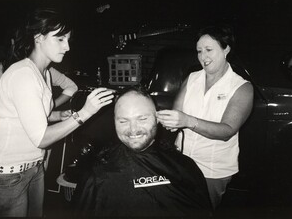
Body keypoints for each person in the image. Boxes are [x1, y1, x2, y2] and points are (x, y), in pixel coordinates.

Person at [0, 8, 114, 217]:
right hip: (5, 175)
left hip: (32, 168)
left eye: (68, 39)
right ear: (38, 38)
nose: (67, 47)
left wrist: (58, 116)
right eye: (60, 39)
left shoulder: (43, 74)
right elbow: (41, 138)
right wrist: (84, 113)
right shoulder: (23, 74)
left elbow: (29, 115)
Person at [72, 87, 212, 218]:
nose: (133, 129)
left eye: (142, 119)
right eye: (123, 121)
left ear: (157, 118)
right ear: (114, 122)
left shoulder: (184, 166)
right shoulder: (96, 174)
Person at [156, 25, 254, 209]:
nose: (203, 57)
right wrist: (161, 119)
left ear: (226, 49)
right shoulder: (192, 78)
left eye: (209, 50)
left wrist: (187, 121)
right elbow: (177, 116)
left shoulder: (242, 87)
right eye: (199, 51)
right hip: (182, 161)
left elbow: (227, 130)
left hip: (212, 170)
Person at [0, 35, 79, 158]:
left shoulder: (45, 71)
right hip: (10, 157)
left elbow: (34, 114)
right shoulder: (7, 69)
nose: (67, 47)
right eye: (60, 39)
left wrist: (55, 109)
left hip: (34, 157)